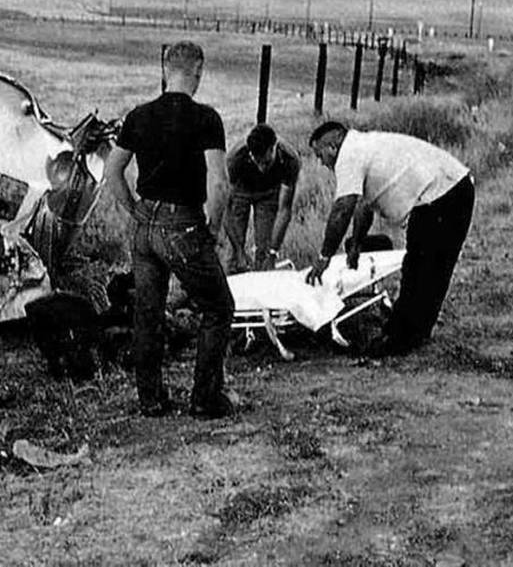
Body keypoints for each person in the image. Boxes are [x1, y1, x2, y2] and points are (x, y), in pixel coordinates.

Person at [103, 41, 236, 419]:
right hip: (183, 224)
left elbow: (112, 171)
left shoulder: (138, 115)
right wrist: (214, 228)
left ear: (165, 70)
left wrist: (133, 209)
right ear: (198, 71)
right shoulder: (206, 119)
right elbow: (219, 184)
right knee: (218, 308)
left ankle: (151, 399)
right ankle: (205, 399)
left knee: (148, 312)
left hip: (145, 225)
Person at [305, 121, 474, 357]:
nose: (321, 162)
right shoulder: (360, 146)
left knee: (425, 268)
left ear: (332, 147)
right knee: (423, 267)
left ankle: (402, 339)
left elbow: (343, 209)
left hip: (444, 193)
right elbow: (363, 206)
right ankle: (409, 332)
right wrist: (356, 244)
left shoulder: (349, 156)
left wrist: (324, 257)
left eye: (319, 155)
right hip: (449, 189)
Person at [224, 123, 300, 272]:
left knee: (264, 250)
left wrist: (273, 253)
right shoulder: (235, 158)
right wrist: (239, 251)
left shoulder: (289, 159)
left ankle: (262, 273)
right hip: (241, 190)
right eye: (257, 162)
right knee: (233, 253)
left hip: (269, 193)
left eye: (266, 162)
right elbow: (226, 209)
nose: (261, 168)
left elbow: (284, 210)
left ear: (274, 148)